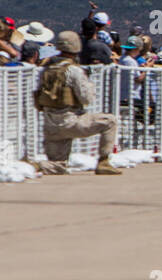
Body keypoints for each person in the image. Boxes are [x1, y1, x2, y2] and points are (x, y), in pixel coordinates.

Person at [31, 30, 121, 175]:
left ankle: (35, 166)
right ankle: (104, 162)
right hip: (71, 121)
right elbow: (86, 99)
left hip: (50, 125)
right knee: (110, 121)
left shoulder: (46, 70)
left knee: (58, 166)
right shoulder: (73, 71)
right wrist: (89, 83)